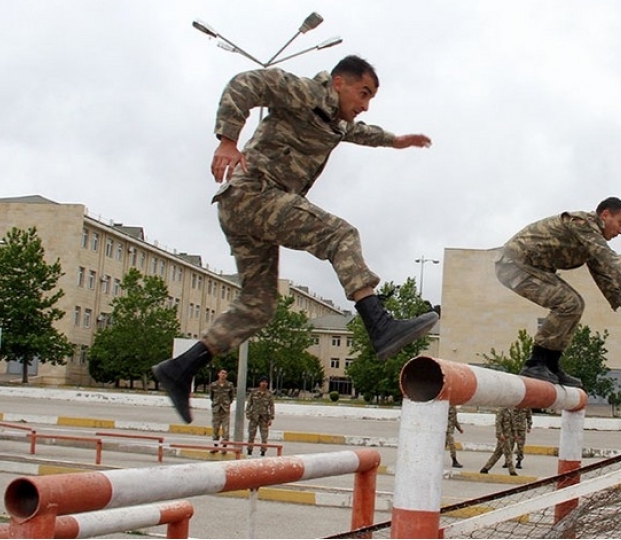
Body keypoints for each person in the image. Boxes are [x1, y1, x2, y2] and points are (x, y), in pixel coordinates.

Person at [153, 55, 439, 423]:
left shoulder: (336, 122)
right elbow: (245, 84)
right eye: (363, 93)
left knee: (258, 305)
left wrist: (395, 140)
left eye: (371, 100)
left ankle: (180, 369)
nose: (364, 105)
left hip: (247, 210)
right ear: (338, 83)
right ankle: (379, 324)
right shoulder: (303, 91)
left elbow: (359, 132)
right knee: (340, 235)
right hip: (253, 194)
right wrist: (228, 140)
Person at [496, 197, 621, 386]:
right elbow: (611, 260)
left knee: (575, 304)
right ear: (605, 215)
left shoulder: (590, 242)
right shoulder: (582, 224)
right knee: (569, 302)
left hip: (529, 268)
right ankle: (535, 363)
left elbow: (605, 279)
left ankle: (551, 364)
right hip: (513, 264)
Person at [480, 407, 518, 476]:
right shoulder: (501, 410)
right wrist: (500, 434)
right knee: (508, 453)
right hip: (503, 436)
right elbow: (498, 423)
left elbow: (513, 423)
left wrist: (515, 435)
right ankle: (512, 471)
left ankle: (485, 468)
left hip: (508, 435)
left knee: (497, 454)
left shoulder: (510, 410)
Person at [246, 377, 275, 456]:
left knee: (264, 436)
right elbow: (249, 404)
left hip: (264, 418)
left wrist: (271, 418)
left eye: (265, 382)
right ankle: (249, 450)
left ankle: (263, 451)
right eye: (262, 382)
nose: (264, 383)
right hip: (254, 417)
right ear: (259, 383)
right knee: (251, 435)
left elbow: (271, 406)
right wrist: (248, 414)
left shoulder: (269, 394)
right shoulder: (254, 393)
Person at [208, 369, 235, 454]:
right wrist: (216, 403)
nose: (223, 375)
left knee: (226, 430)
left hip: (225, 410)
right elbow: (211, 396)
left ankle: (224, 448)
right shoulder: (214, 385)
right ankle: (215, 447)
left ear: (226, 376)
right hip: (216, 410)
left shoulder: (229, 385)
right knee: (215, 429)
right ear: (218, 374)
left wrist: (227, 404)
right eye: (222, 373)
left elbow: (231, 397)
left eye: (225, 373)